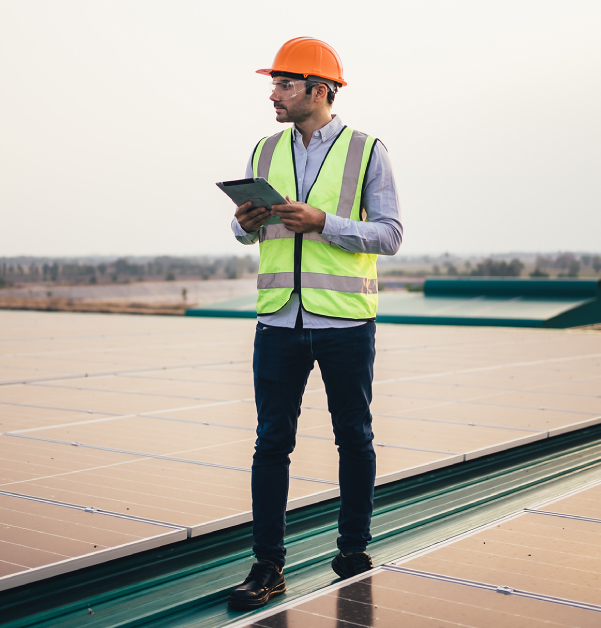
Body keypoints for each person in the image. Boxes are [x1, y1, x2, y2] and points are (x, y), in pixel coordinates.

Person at [226, 36, 403, 611]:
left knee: (354, 438)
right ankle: (267, 567)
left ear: (318, 91)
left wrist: (324, 222)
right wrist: (245, 221)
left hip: (346, 324)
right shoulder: (263, 149)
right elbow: (245, 234)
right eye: (273, 84)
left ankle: (352, 552)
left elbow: (390, 234)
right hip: (278, 320)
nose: (273, 94)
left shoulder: (367, 150)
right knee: (270, 443)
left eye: (283, 84)